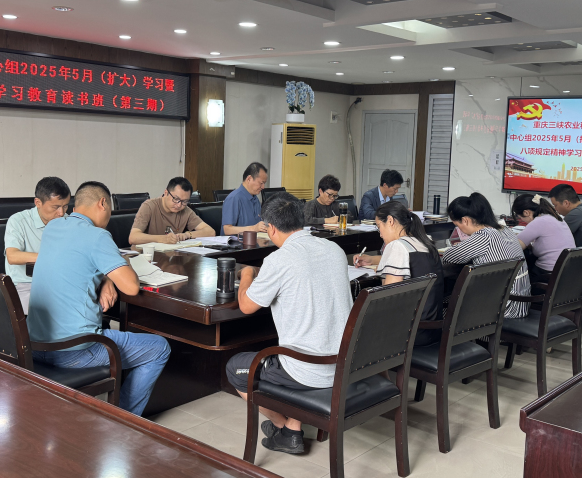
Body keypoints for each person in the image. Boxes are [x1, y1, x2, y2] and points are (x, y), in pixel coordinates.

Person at [28, 181, 170, 416]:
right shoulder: (98, 236)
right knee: (159, 348)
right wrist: (120, 265)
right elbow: (131, 287)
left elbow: (78, 262)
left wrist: (107, 278)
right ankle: (123, 420)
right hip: (74, 350)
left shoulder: (53, 227)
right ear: (103, 203)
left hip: (34, 344)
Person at [225, 192, 352, 455]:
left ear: (270, 228)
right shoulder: (334, 250)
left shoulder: (279, 260)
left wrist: (247, 273)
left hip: (307, 370)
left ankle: (284, 428)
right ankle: (293, 426)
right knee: (302, 341)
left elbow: (246, 305)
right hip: (343, 362)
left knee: (235, 368)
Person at [354, 200, 445, 345]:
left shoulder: (397, 246)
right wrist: (372, 260)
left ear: (390, 221)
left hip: (409, 333)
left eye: (379, 227)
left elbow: (389, 297)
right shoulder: (426, 242)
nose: (380, 234)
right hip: (431, 329)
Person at [442, 193, 530, 318]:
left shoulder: (484, 236)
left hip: (502, 307)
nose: (459, 229)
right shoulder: (504, 230)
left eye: (457, 225)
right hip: (519, 302)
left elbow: (448, 257)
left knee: (442, 305)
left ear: (465, 220)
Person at [4, 176, 71, 313]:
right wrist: (50, 258)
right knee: (55, 313)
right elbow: (12, 256)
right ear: (38, 202)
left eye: (65, 206)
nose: (61, 213)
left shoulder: (67, 221)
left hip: (59, 283)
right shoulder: (18, 221)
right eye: (56, 207)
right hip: (27, 285)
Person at [511, 194, 576, 286]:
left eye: (520, 217)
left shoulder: (539, 221)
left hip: (548, 275)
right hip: (566, 273)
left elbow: (515, 247)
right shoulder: (556, 217)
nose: (523, 221)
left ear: (526, 213)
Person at [128, 177, 215, 245]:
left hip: (171, 256)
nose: (179, 205)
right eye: (176, 199)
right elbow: (133, 237)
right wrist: (163, 239)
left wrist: (187, 235)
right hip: (147, 256)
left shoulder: (185, 210)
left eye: (185, 201)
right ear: (166, 193)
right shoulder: (149, 206)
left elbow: (210, 232)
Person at [221, 162, 269, 236]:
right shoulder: (234, 198)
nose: (263, 187)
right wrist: (253, 228)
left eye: (264, 183)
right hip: (236, 242)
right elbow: (227, 230)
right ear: (249, 179)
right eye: (261, 183)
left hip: (253, 240)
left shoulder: (256, 199)